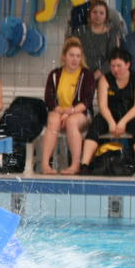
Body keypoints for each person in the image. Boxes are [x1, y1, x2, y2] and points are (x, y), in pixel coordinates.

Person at [79, 48, 135, 177]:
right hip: (111, 114)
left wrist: (123, 122)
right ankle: (85, 164)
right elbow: (103, 106)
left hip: (132, 114)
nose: (115, 69)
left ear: (128, 65)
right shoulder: (105, 79)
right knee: (96, 125)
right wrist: (111, 122)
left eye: (119, 66)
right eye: (112, 66)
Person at [41, 37, 95, 174]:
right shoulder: (54, 75)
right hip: (59, 112)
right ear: (64, 57)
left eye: (78, 56)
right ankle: (45, 164)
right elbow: (49, 99)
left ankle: (75, 165)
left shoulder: (86, 75)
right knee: (53, 120)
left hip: (80, 113)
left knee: (71, 122)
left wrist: (69, 112)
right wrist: (60, 111)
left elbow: (87, 101)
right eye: (71, 55)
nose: (75, 59)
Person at [73, 1, 124, 77]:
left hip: (104, 77)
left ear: (106, 16)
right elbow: (72, 52)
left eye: (101, 13)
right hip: (80, 74)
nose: (98, 15)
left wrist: (96, 75)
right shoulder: (80, 32)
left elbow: (112, 58)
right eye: (95, 12)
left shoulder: (111, 34)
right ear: (90, 14)